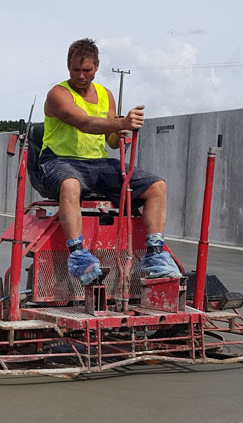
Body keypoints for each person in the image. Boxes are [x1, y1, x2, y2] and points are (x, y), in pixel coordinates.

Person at [39, 38, 181, 284]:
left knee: (156, 186)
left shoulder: (106, 95)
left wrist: (120, 133)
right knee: (70, 184)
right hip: (60, 161)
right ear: (68, 66)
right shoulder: (58, 94)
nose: (81, 75)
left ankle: (155, 256)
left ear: (96, 67)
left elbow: (112, 141)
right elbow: (84, 122)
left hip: (98, 164)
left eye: (87, 70)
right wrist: (121, 122)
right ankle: (78, 255)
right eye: (75, 69)